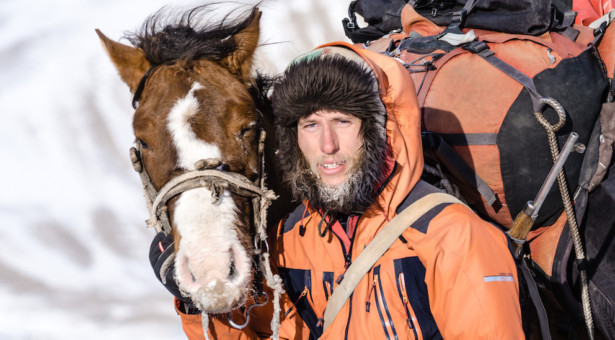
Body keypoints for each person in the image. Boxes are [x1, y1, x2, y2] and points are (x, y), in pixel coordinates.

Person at [150, 43, 525, 339]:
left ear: (381, 130)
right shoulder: (293, 239)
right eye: (310, 125)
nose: (327, 145)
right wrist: (202, 303)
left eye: (342, 121)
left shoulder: (453, 236)